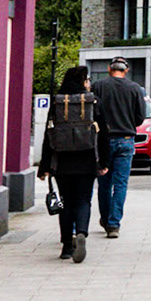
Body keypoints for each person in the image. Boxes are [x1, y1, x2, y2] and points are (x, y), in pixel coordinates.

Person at [39, 65, 110, 262]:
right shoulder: (93, 102)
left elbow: (48, 135)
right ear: (82, 82)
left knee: (66, 202)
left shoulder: (58, 102)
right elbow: (104, 134)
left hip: (62, 161)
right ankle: (81, 232)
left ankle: (66, 246)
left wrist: (44, 166)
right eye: (87, 80)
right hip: (87, 159)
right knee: (83, 199)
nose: (88, 84)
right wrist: (104, 161)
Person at [90, 57, 149, 238]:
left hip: (103, 140)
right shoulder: (135, 88)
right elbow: (140, 117)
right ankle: (114, 224)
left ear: (109, 69)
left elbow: (92, 113)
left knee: (104, 183)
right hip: (126, 138)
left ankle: (106, 219)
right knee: (121, 183)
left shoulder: (98, 86)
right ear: (126, 70)